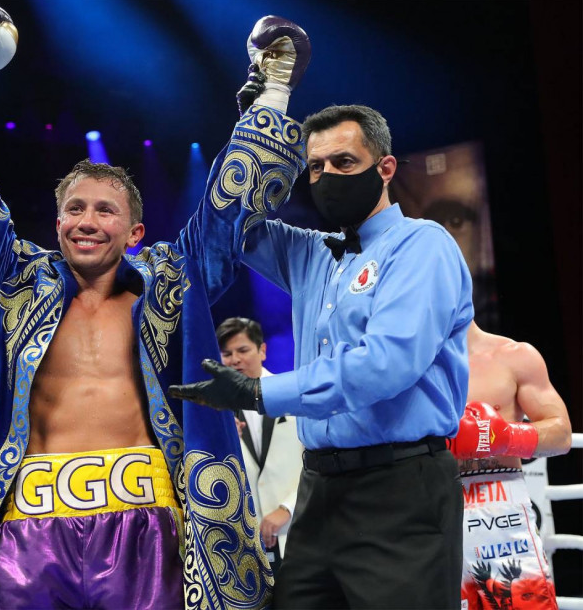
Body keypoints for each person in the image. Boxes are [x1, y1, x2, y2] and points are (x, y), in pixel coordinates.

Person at [0, 2, 309, 610]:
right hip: (30, 527)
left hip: (145, 523)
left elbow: (228, 213)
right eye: (75, 209)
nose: (87, 220)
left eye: (105, 210)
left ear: (135, 232)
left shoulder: (169, 283)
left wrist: (273, 91)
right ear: (57, 224)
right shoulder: (17, 283)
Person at [170, 104, 475, 608]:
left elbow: (386, 364)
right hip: (318, 491)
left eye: (344, 162)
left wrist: (259, 391)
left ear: (385, 168)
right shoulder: (311, 251)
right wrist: (258, 125)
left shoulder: (423, 245)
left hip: (399, 489)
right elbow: (225, 224)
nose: (327, 176)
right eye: (315, 167)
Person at [449, 321, 571, 610]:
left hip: (503, 524)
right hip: (431, 515)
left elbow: (562, 435)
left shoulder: (514, 356)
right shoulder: (403, 367)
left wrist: (503, 437)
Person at [216, 317, 302, 574]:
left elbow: (315, 460)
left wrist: (288, 508)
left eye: (243, 350)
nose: (235, 360)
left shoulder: (293, 395)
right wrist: (222, 442)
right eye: (227, 354)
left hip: (298, 531)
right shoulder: (214, 412)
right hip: (243, 544)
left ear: (262, 350)